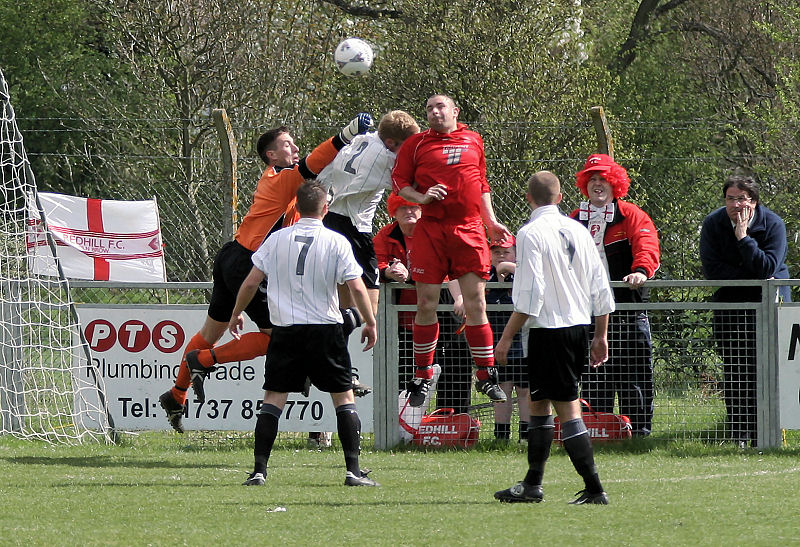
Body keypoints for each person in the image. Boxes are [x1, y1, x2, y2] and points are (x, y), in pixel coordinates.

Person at [158, 113, 373, 432]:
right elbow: (314, 162)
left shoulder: (283, 180)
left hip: (233, 256)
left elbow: (318, 175)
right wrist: (347, 133)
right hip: (247, 263)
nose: (295, 147)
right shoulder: (282, 176)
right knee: (277, 338)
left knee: (209, 334)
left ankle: (177, 393)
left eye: (294, 142)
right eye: (287, 144)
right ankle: (203, 362)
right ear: (271, 154)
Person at [232, 181, 379, 487]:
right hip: (325, 330)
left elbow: (249, 283)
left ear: (296, 207)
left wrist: (235, 315)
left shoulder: (276, 240)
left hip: (285, 331)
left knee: (273, 397)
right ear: (326, 208)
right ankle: (353, 471)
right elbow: (355, 286)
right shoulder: (337, 242)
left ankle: (259, 471)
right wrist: (370, 321)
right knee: (343, 397)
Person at [493, 170, 615, 505]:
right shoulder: (578, 230)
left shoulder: (530, 233)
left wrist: (505, 339)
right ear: (560, 197)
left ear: (529, 198)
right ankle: (532, 484)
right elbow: (601, 288)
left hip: (550, 331)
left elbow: (531, 296)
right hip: (578, 328)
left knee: (566, 409)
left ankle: (594, 488)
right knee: (538, 404)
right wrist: (600, 335)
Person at [391, 93, 512, 407]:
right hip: (431, 229)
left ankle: (485, 375)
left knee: (476, 303)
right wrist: (421, 197)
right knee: (426, 303)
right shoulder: (415, 144)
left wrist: (491, 222)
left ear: (455, 111)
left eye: (439, 106)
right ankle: (422, 374)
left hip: (469, 228)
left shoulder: (473, 139)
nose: (433, 112)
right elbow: (400, 184)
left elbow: (481, 184)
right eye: (429, 108)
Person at [307, 110, 419, 447]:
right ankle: (326, 363)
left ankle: (324, 364)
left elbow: (322, 175)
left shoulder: (360, 140)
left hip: (327, 221)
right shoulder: (385, 157)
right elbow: (406, 190)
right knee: (370, 306)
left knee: (337, 309)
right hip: (352, 230)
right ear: (391, 143)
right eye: (404, 147)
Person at [569, 154, 660, 436]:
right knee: (594, 376)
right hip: (585, 311)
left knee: (634, 375)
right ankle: (599, 429)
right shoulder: (575, 218)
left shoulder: (632, 214)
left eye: (603, 179)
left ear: (615, 183)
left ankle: (639, 432)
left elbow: (647, 244)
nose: (598, 184)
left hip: (627, 308)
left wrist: (641, 271)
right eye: (592, 179)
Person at [699, 174, 790, 447]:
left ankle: (766, 435)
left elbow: (768, 268)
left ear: (754, 201)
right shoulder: (713, 224)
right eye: (731, 199)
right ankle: (739, 434)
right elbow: (712, 271)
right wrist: (749, 274)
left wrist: (743, 238)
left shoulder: (773, 224)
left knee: (766, 371)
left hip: (769, 308)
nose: (737, 205)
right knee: (737, 371)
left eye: (742, 199)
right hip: (732, 307)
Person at [374, 194, 469, 411]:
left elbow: (451, 267)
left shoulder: (434, 233)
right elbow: (375, 264)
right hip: (403, 318)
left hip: (441, 309)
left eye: (414, 207)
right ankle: (401, 422)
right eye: (402, 208)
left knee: (453, 366)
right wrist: (388, 272)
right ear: (393, 212)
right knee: (405, 372)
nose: (409, 212)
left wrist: (459, 297)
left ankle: (452, 420)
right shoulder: (386, 235)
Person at [485, 236, 530, 442]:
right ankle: (501, 437)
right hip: (496, 342)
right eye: (496, 252)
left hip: (522, 342)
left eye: (506, 251)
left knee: (524, 389)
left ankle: (526, 435)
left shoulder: (522, 274)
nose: (501, 256)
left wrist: (510, 268)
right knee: (502, 388)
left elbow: (535, 283)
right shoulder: (486, 276)